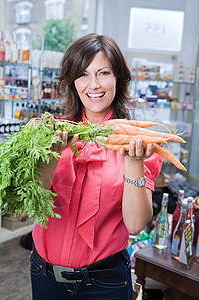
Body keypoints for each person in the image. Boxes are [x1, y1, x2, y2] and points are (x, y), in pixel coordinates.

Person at [30, 33, 163, 300]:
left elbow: (135, 223)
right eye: (83, 74)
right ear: (72, 82)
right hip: (44, 277)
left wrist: (134, 162)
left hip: (105, 286)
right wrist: (53, 156)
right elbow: (29, 208)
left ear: (118, 79)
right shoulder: (50, 134)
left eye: (103, 72)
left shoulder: (136, 140)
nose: (94, 85)